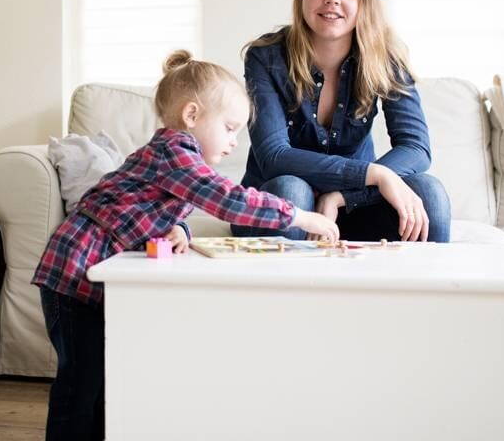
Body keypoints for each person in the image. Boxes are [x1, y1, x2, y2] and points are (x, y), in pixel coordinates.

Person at [31, 50, 340, 440]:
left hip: (92, 278)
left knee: (104, 381)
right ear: (192, 115)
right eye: (229, 128)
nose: (234, 142)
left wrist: (180, 230)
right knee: (80, 384)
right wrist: (299, 216)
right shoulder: (175, 153)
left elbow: (146, 208)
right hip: (73, 275)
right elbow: (227, 199)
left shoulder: (175, 161)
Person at [235, 0, 451, 243]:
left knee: (429, 192)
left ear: (364, 0)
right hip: (279, 205)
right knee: (293, 190)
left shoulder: (385, 56)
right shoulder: (266, 57)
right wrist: (374, 174)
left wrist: (342, 195)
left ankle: (425, 279)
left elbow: (415, 147)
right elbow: (274, 156)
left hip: (351, 206)